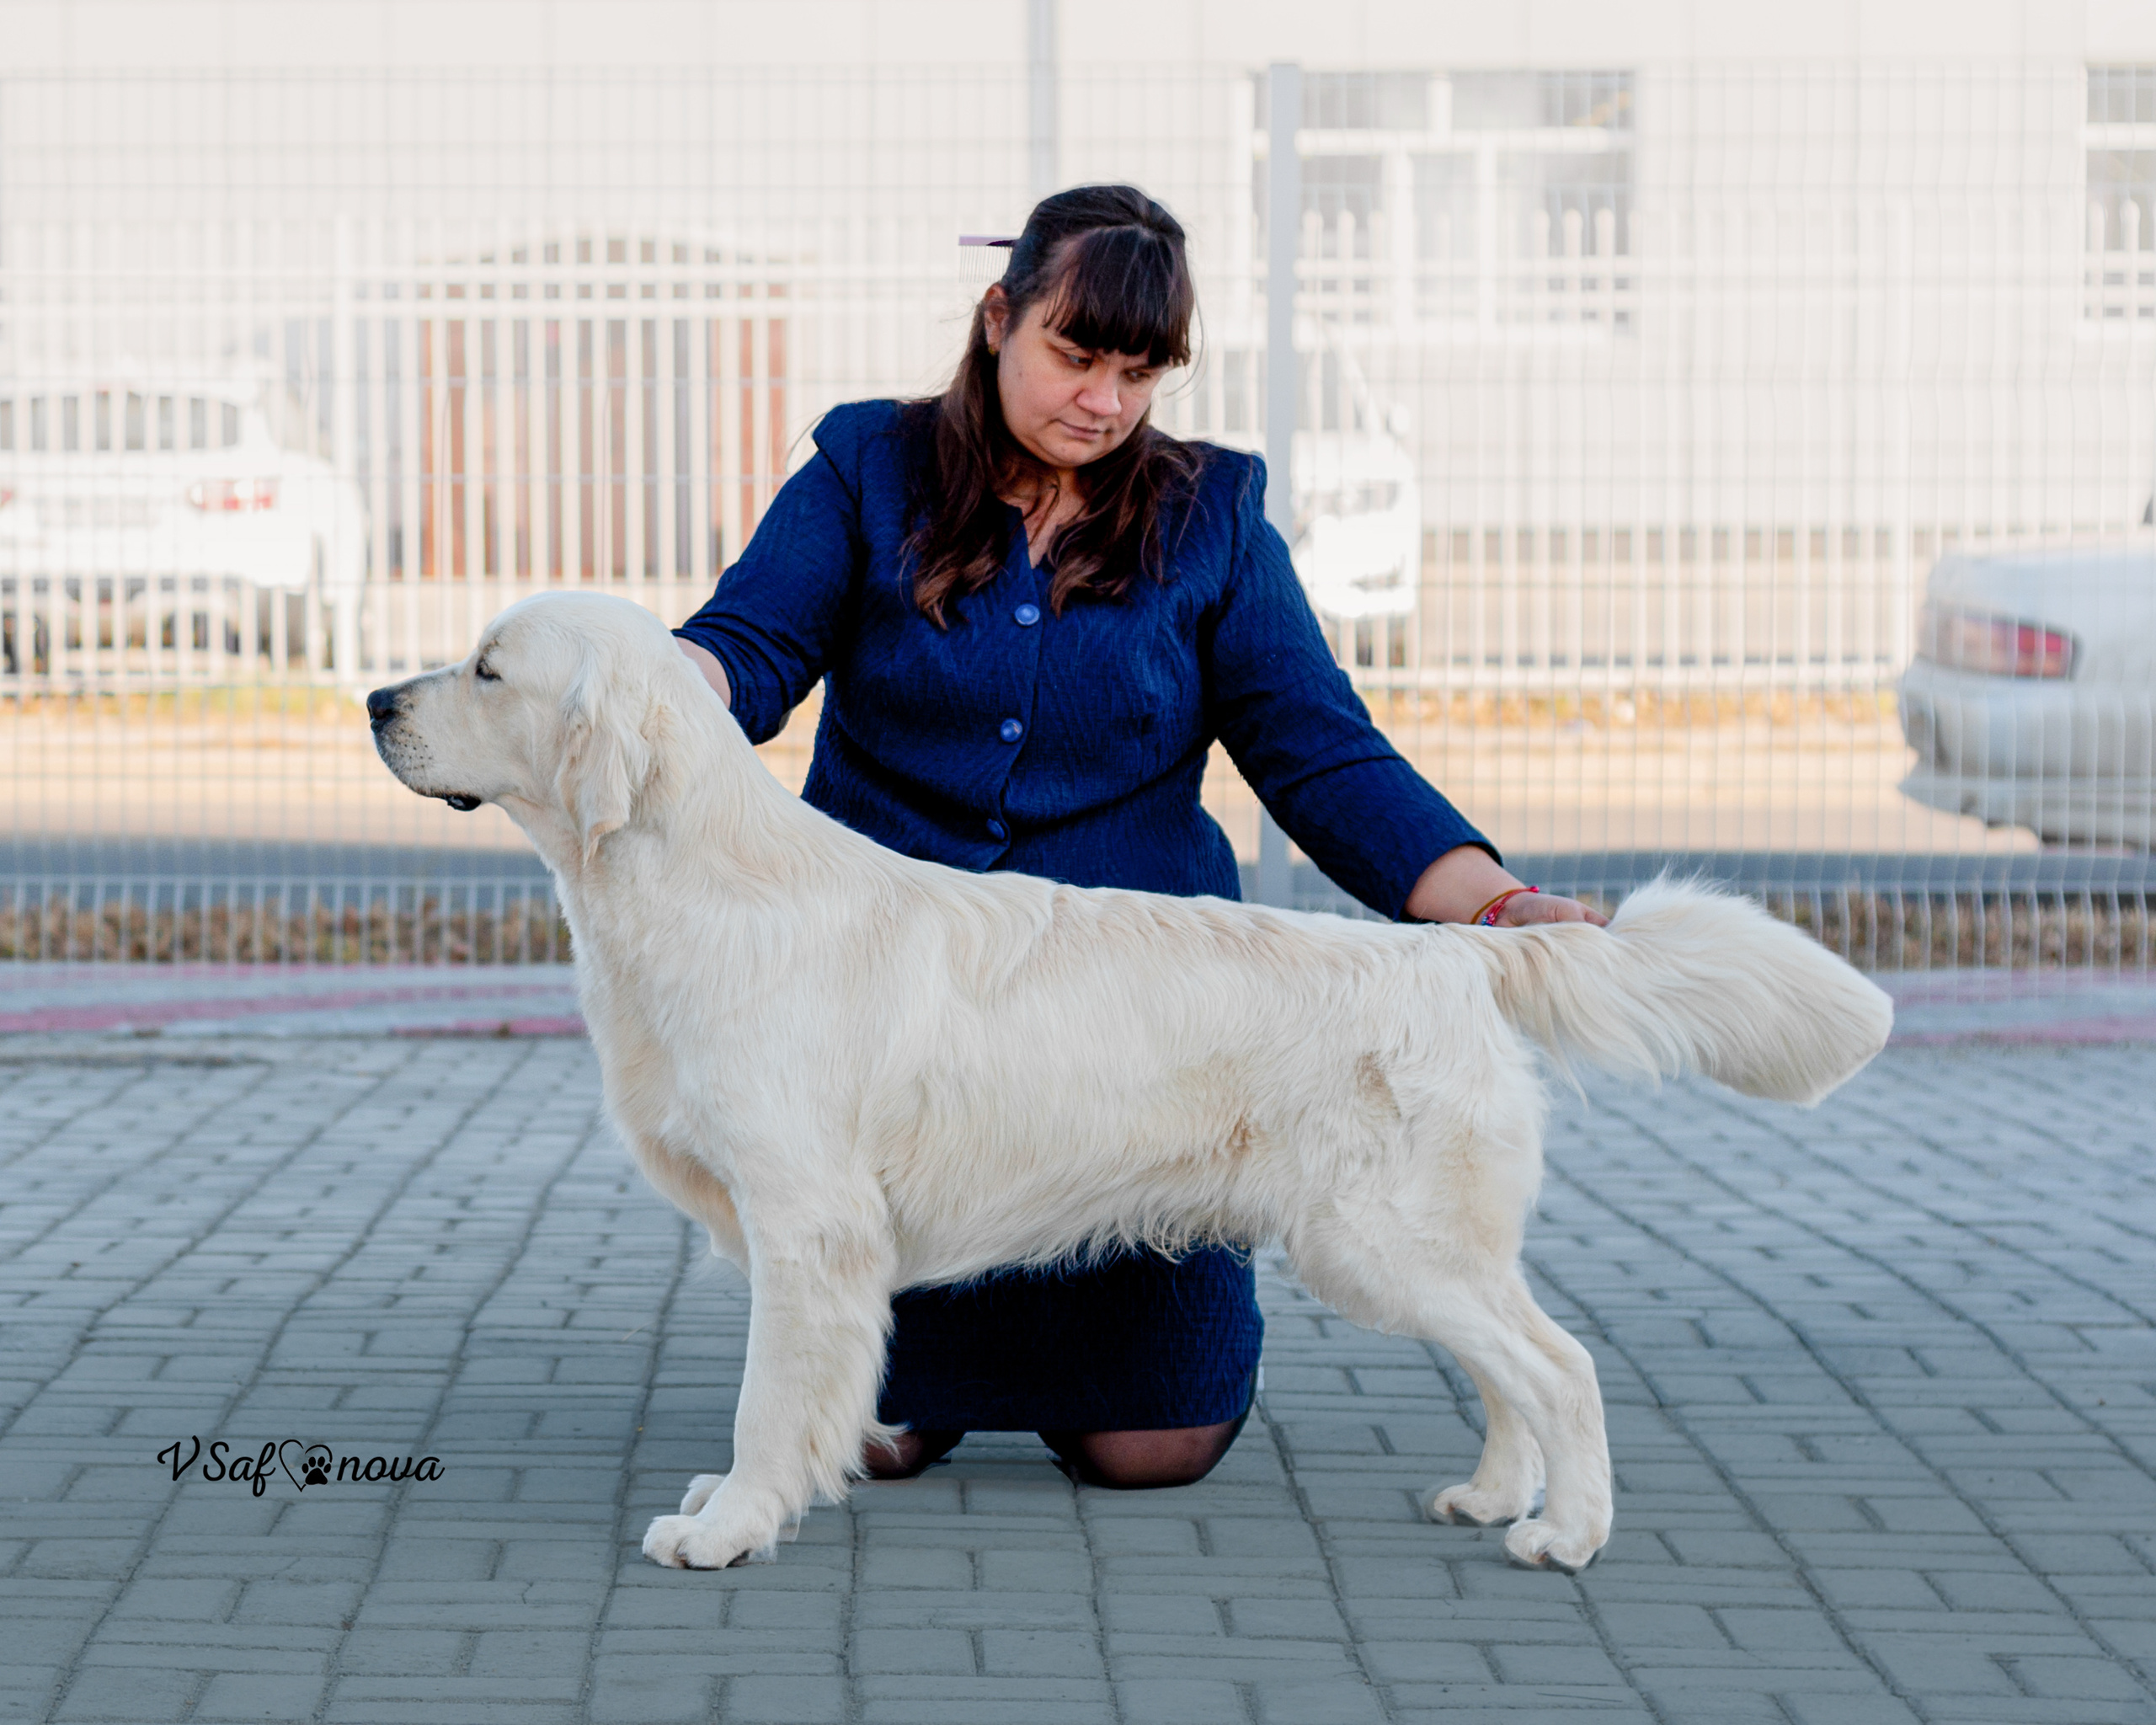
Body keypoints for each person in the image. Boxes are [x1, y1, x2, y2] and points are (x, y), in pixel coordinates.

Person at [673, 184, 1606, 1492]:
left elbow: (1319, 749)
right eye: (1074, 354)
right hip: (904, 1036)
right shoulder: (864, 469)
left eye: (1139, 372)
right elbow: (746, 649)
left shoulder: (1209, 513)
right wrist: (641, 694)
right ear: (998, 318)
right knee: (867, 1439)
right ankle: (899, 1375)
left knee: (1151, 1449)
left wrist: (1497, 908)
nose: (1103, 402)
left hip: (1147, 1048)